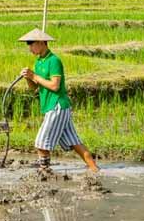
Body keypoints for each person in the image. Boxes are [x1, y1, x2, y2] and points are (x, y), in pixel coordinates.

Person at [18, 28, 98, 172]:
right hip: (50, 106)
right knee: (74, 142)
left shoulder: (54, 61)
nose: (29, 47)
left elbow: (55, 86)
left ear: (42, 43)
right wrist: (29, 77)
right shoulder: (39, 62)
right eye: (28, 44)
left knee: (41, 142)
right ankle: (95, 170)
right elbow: (35, 88)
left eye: (31, 43)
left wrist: (35, 76)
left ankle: (44, 172)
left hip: (57, 106)